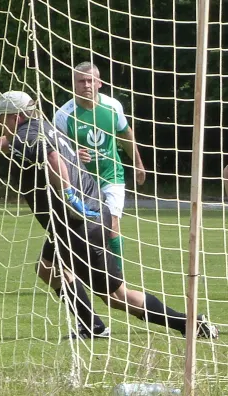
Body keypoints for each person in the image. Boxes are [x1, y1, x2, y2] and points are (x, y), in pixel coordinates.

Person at [0, 90, 218, 340]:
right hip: (74, 222)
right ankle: (92, 326)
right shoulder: (42, 128)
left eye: (1, 119)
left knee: (116, 295)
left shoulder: (29, 136)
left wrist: (68, 196)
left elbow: (53, 159)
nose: (0, 125)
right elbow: (13, 143)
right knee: (47, 268)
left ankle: (189, 323)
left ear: (15, 117)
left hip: (81, 222)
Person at [54, 62, 146, 271]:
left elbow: (126, 135)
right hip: (82, 181)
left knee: (112, 224)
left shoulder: (113, 107)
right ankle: (78, 270)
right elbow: (56, 151)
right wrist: (74, 155)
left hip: (111, 176)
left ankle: (117, 275)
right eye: (81, 81)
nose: (86, 85)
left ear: (99, 83)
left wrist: (138, 164)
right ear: (74, 84)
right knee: (83, 228)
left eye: (90, 80)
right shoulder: (63, 115)